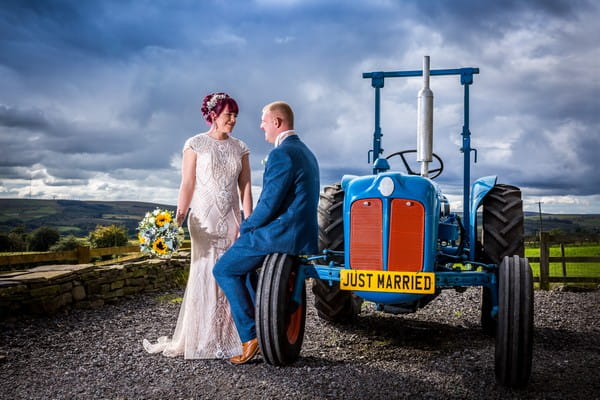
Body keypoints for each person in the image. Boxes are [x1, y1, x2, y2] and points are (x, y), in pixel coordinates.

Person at [143, 92, 253, 359]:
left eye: (236, 115)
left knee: (229, 275)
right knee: (204, 273)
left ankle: (229, 337)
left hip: (231, 220)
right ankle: (201, 339)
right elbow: (187, 184)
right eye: (229, 114)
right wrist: (177, 219)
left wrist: (247, 221)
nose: (234, 120)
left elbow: (246, 187)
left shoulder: (241, 147)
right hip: (202, 219)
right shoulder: (195, 144)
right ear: (213, 115)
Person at [213, 101, 320, 364]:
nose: (260, 126)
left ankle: (251, 336)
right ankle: (263, 322)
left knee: (224, 269)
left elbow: (270, 204)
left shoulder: (282, 154)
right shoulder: (305, 152)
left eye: (264, 121)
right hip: (299, 231)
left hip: (281, 233)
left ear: (277, 122)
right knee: (243, 268)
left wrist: (245, 226)